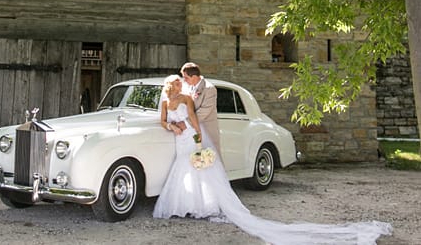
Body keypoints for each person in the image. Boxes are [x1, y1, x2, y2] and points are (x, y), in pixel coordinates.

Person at [153, 75, 393, 245]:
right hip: (178, 137)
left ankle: (203, 206)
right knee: (184, 171)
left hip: (192, 136)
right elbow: (162, 120)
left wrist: (196, 136)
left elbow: (195, 118)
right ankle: (186, 205)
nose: (177, 86)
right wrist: (172, 126)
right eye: (173, 83)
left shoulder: (186, 99)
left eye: (178, 82)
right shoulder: (165, 101)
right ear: (168, 87)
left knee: (200, 170)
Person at [181, 62, 220, 155]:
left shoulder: (209, 89)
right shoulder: (188, 87)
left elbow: (205, 111)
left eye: (186, 77)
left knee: (209, 157)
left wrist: (186, 123)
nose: (184, 80)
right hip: (192, 130)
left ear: (194, 77)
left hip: (206, 129)